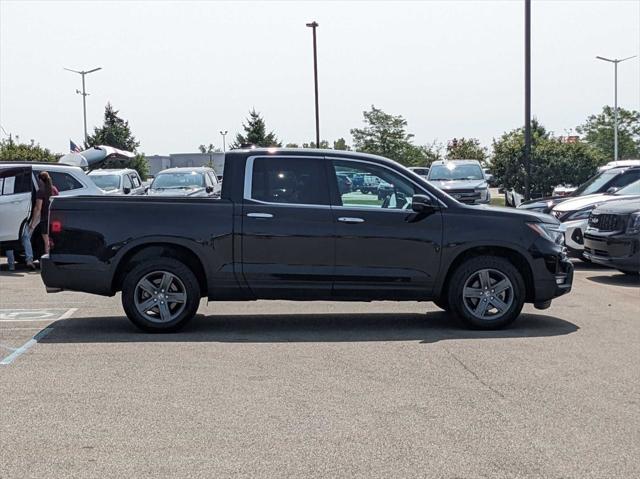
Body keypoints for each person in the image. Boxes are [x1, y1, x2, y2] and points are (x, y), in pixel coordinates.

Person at [28, 171, 57, 258]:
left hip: (45, 219)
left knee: (46, 242)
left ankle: (48, 260)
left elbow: (38, 208)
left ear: (40, 180)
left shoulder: (41, 191)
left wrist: (32, 224)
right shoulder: (54, 189)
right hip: (55, 218)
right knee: (54, 240)